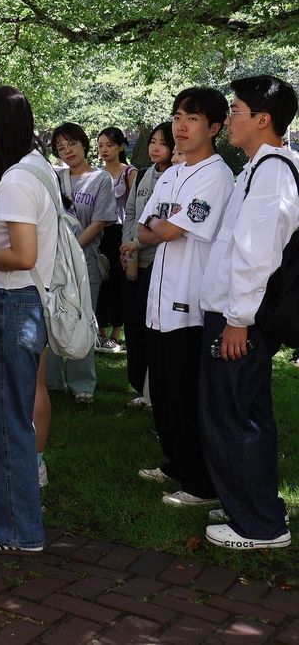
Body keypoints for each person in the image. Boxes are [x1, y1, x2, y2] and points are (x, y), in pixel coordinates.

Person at [198, 75, 297, 549]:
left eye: (236, 110)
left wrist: (237, 319)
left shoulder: (272, 170)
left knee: (236, 415)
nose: (230, 119)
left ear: (263, 119)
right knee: (240, 410)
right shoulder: (258, 168)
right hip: (236, 314)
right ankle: (249, 502)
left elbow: (257, 253)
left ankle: (259, 525)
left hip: (242, 319)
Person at [0, 85, 58, 554]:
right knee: (7, 419)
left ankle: (16, 531)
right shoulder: (31, 169)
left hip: (11, 303)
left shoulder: (19, 178)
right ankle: (6, 519)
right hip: (19, 304)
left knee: (3, 423)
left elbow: (23, 255)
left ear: (2, 125)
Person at [136, 87, 233, 507]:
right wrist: (161, 224)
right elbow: (142, 231)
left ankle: (200, 484)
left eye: (192, 118)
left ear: (214, 127)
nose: (180, 125)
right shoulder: (171, 173)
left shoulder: (216, 174)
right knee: (163, 389)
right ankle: (175, 462)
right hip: (160, 300)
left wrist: (161, 224)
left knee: (186, 394)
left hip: (191, 304)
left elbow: (171, 231)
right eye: (177, 115)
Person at [44, 122, 116, 403]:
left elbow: (99, 222)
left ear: (84, 144)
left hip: (84, 261)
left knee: (83, 318)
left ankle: (82, 384)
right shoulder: (54, 176)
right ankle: (52, 382)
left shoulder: (100, 179)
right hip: (53, 261)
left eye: (71, 144)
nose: (67, 151)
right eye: (60, 147)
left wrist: (73, 247)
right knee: (51, 318)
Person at [119, 122, 174, 406]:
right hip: (134, 260)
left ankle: (154, 392)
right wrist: (129, 245)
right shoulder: (141, 175)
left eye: (163, 143)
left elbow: (166, 225)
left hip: (159, 261)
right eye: (153, 141)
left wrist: (137, 243)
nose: (155, 148)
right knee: (134, 325)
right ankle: (141, 386)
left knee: (152, 326)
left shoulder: (177, 178)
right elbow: (131, 213)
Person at [96, 127, 136, 351]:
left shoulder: (129, 173)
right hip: (100, 231)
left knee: (119, 282)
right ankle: (100, 331)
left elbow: (133, 207)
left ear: (120, 146)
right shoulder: (96, 173)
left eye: (109, 145)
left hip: (121, 232)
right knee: (100, 281)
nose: (104, 150)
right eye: (100, 145)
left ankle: (116, 333)